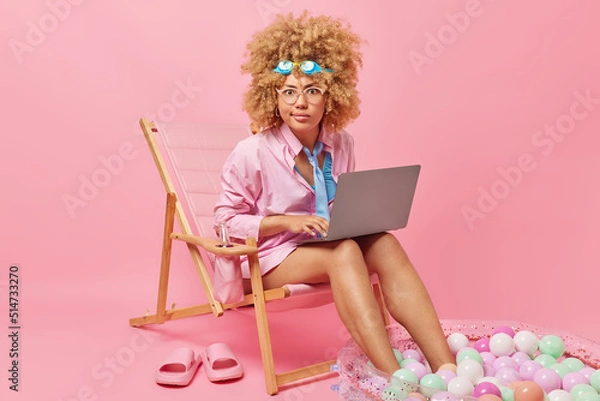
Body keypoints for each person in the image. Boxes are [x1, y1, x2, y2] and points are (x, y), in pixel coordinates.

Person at [214, 12, 455, 376]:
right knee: (343, 253)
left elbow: (343, 205)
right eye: (289, 91)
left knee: (385, 243)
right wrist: (285, 221)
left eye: (313, 90)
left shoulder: (341, 144)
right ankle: (396, 381)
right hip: (269, 259)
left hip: (324, 241)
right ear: (272, 96)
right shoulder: (252, 152)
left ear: (331, 96)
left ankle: (449, 371)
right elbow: (224, 221)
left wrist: (363, 216)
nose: (301, 102)